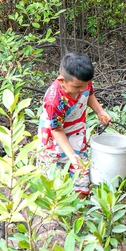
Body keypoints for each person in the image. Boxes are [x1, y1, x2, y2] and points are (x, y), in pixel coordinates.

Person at [37, 52, 111, 196]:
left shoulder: (83, 82)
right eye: (77, 87)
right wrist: (71, 156)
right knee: (55, 180)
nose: (81, 90)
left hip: (76, 131)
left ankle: (79, 213)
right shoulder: (54, 100)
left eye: (84, 85)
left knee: (81, 176)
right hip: (55, 137)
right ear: (61, 80)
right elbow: (57, 130)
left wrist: (100, 111)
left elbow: (89, 94)